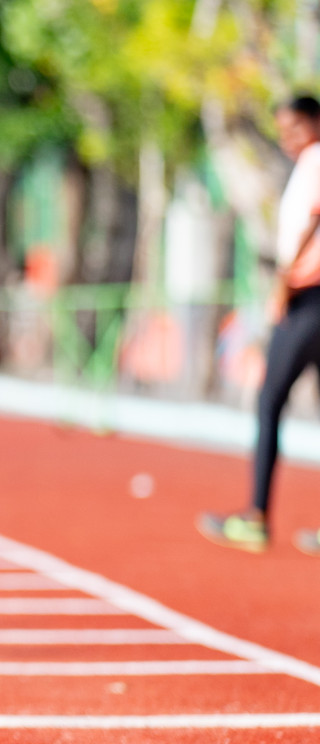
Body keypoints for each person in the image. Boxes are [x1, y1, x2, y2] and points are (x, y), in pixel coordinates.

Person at [200, 96, 320, 555]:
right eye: (282, 130)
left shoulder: (314, 158)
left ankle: (256, 516)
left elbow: (314, 217)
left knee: (269, 399)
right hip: (308, 292)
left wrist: (286, 281)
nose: (288, 138)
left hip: (308, 296)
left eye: (296, 127)